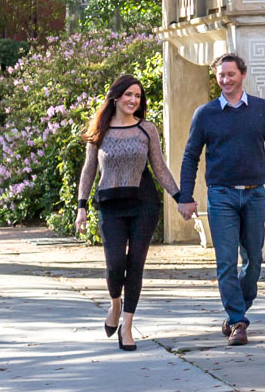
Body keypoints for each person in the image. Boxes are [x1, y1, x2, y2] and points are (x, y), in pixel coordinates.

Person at [176, 53, 265, 346]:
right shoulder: (206, 114)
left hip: (254, 194)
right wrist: (185, 196)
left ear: (243, 75)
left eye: (230, 74)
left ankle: (237, 310)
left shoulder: (262, 110)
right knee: (226, 262)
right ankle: (238, 321)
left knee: (253, 261)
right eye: (220, 75)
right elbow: (190, 157)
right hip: (221, 195)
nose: (225, 80)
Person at [75, 74, 180, 352]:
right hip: (110, 204)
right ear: (116, 97)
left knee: (135, 264)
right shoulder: (100, 130)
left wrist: (179, 196)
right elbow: (88, 171)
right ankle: (115, 305)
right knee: (114, 266)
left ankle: (128, 326)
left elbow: (159, 168)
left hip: (143, 203)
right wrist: (82, 206)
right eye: (128, 95)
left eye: (137, 96)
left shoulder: (147, 129)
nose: (133, 100)